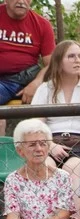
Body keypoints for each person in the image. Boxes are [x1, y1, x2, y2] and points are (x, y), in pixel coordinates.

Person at [30, 40, 80, 203]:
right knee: (46, 167)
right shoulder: (46, 88)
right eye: (71, 56)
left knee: (71, 168)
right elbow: (35, 126)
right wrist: (50, 145)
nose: (78, 60)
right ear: (59, 61)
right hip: (51, 142)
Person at [0, 0, 55, 136]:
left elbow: (52, 64)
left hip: (16, 80)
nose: (21, 1)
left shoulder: (42, 24)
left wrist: (37, 82)